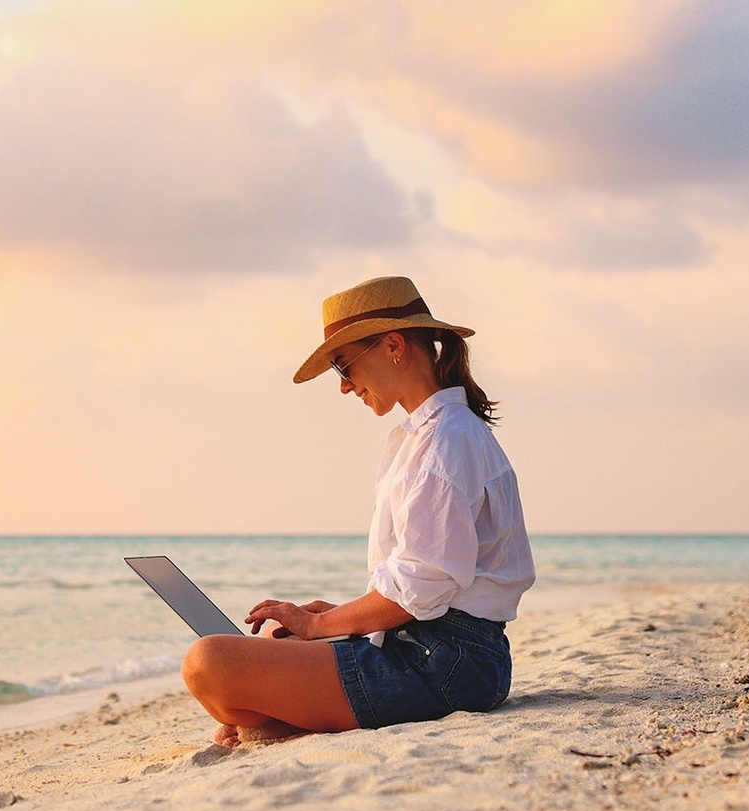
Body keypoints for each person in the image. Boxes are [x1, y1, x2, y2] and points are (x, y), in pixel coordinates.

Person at [181, 276, 534, 747]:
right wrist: (337, 617)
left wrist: (318, 625)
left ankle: (275, 720)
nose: (345, 387)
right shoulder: (434, 435)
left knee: (207, 663)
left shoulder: (442, 443)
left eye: (343, 366)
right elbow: (425, 585)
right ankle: (276, 719)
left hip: (445, 662)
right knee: (273, 642)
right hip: (443, 650)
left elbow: (419, 590)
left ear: (394, 346)